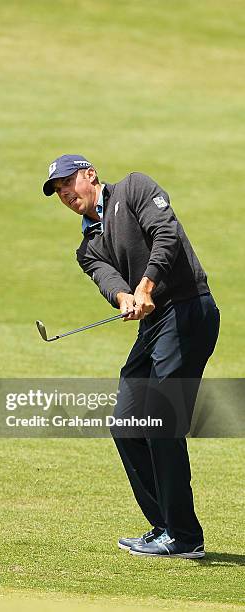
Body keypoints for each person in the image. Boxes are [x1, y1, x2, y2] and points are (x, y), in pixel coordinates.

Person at [42, 154, 220, 559]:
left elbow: (167, 236)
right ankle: (166, 527)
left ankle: (185, 537)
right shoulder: (87, 247)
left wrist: (146, 286)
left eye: (70, 182)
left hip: (189, 309)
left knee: (158, 420)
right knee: (125, 423)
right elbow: (108, 280)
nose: (66, 194)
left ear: (91, 175)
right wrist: (125, 297)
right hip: (155, 326)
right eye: (58, 191)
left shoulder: (134, 188)